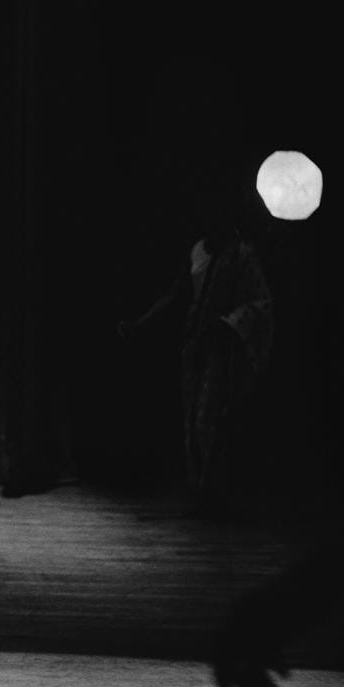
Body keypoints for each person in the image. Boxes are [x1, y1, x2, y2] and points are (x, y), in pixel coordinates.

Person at [119, 164, 273, 516]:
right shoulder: (197, 251)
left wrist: (230, 324)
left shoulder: (242, 253)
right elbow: (175, 296)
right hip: (195, 344)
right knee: (192, 417)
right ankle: (201, 488)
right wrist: (139, 324)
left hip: (223, 348)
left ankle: (214, 491)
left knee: (211, 417)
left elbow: (261, 302)